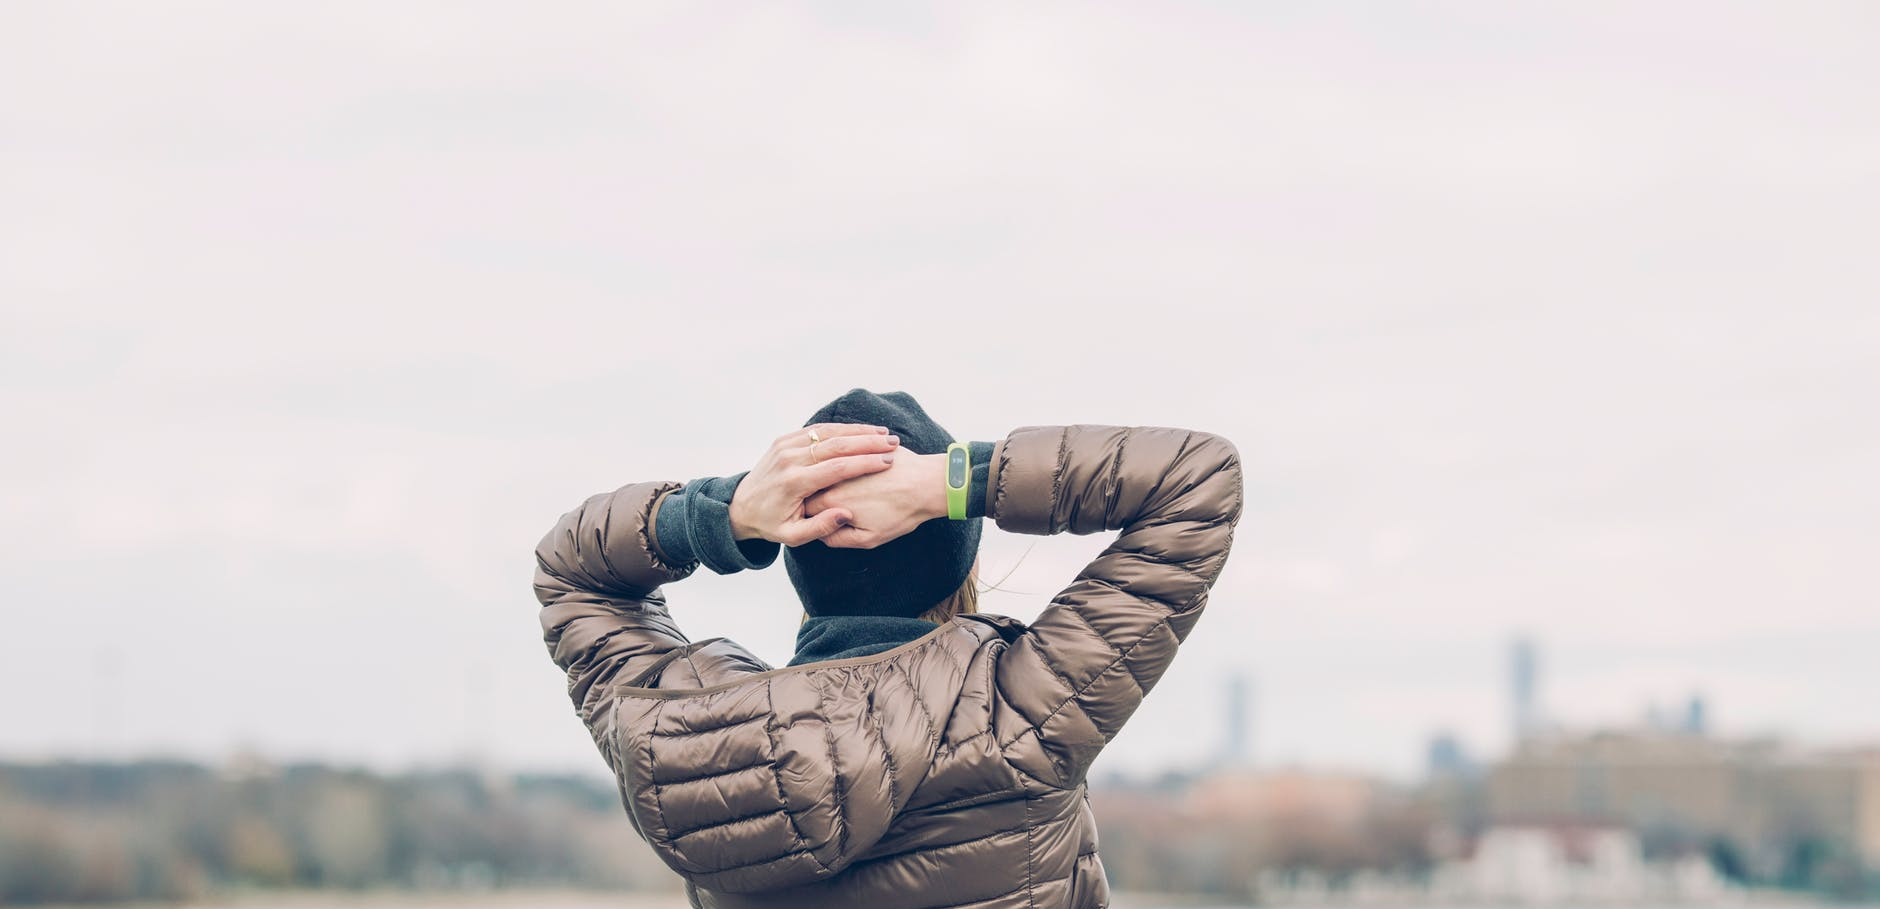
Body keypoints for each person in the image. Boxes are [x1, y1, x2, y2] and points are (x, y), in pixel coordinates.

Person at [533, 388, 1243, 909]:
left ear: (797, 558)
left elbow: (572, 571)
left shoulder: (686, 739)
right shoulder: (1023, 711)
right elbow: (1194, 479)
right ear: (960, 562)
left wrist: (730, 512)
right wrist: (949, 482)